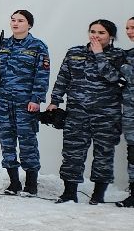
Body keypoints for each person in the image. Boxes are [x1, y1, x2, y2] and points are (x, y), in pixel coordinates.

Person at [48, 19, 122, 204]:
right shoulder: (74, 53)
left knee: (103, 154)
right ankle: (69, 193)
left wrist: (99, 55)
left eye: (101, 33)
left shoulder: (119, 56)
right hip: (77, 114)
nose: (95, 36)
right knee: (72, 154)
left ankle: (98, 195)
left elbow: (114, 78)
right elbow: (63, 78)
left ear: (111, 36)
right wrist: (54, 101)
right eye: (92, 31)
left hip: (106, 115)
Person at [0, 9, 51, 195]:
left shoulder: (38, 47)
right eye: (13, 20)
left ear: (29, 24)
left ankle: (31, 184)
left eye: (20, 20)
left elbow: (42, 76)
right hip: (2, 103)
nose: (15, 23)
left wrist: (36, 99)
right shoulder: (1, 45)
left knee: (28, 143)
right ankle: (14, 183)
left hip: (26, 104)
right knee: (7, 143)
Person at [121, 18, 134, 208]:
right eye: (127, 28)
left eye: (133, 28)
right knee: (132, 152)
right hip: (130, 111)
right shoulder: (127, 54)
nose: (130, 31)